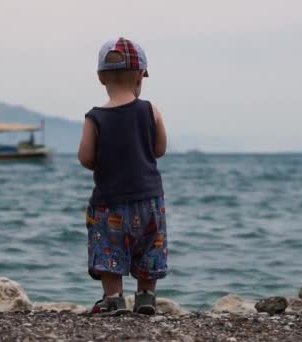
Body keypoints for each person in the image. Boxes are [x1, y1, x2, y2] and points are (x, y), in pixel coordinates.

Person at [78, 37, 168, 315]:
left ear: (100, 77)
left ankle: (114, 298)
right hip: (149, 199)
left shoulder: (95, 117)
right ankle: (145, 297)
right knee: (150, 247)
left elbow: (86, 157)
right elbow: (160, 149)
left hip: (109, 202)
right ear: (140, 76)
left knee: (108, 250)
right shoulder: (150, 109)